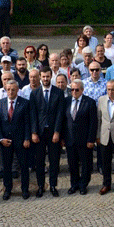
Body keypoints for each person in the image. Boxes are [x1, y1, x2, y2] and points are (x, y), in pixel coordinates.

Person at [0, 80, 34, 200]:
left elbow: (27, 122)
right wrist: (1, 139)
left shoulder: (25, 103)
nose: (10, 92)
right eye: (8, 89)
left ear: (17, 90)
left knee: (23, 166)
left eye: (13, 89)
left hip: (21, 140)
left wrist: (27, 138)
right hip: (5, 141)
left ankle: (25, 189)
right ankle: (7, 189)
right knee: (6, 167)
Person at [31, 68, 65, 197]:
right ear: (40, 77)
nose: (45, 79)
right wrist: (34, 132)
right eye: (43, 76)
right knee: (39, 161)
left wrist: (57, 131)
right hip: (39, 133)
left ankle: (53, 185)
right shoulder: (34, 93)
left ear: (51, 76)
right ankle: (40, 186)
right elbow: (33, 114)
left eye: (48, 76)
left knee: (54, 160)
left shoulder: (58, 92)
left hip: (53, 132)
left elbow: (60, 114)